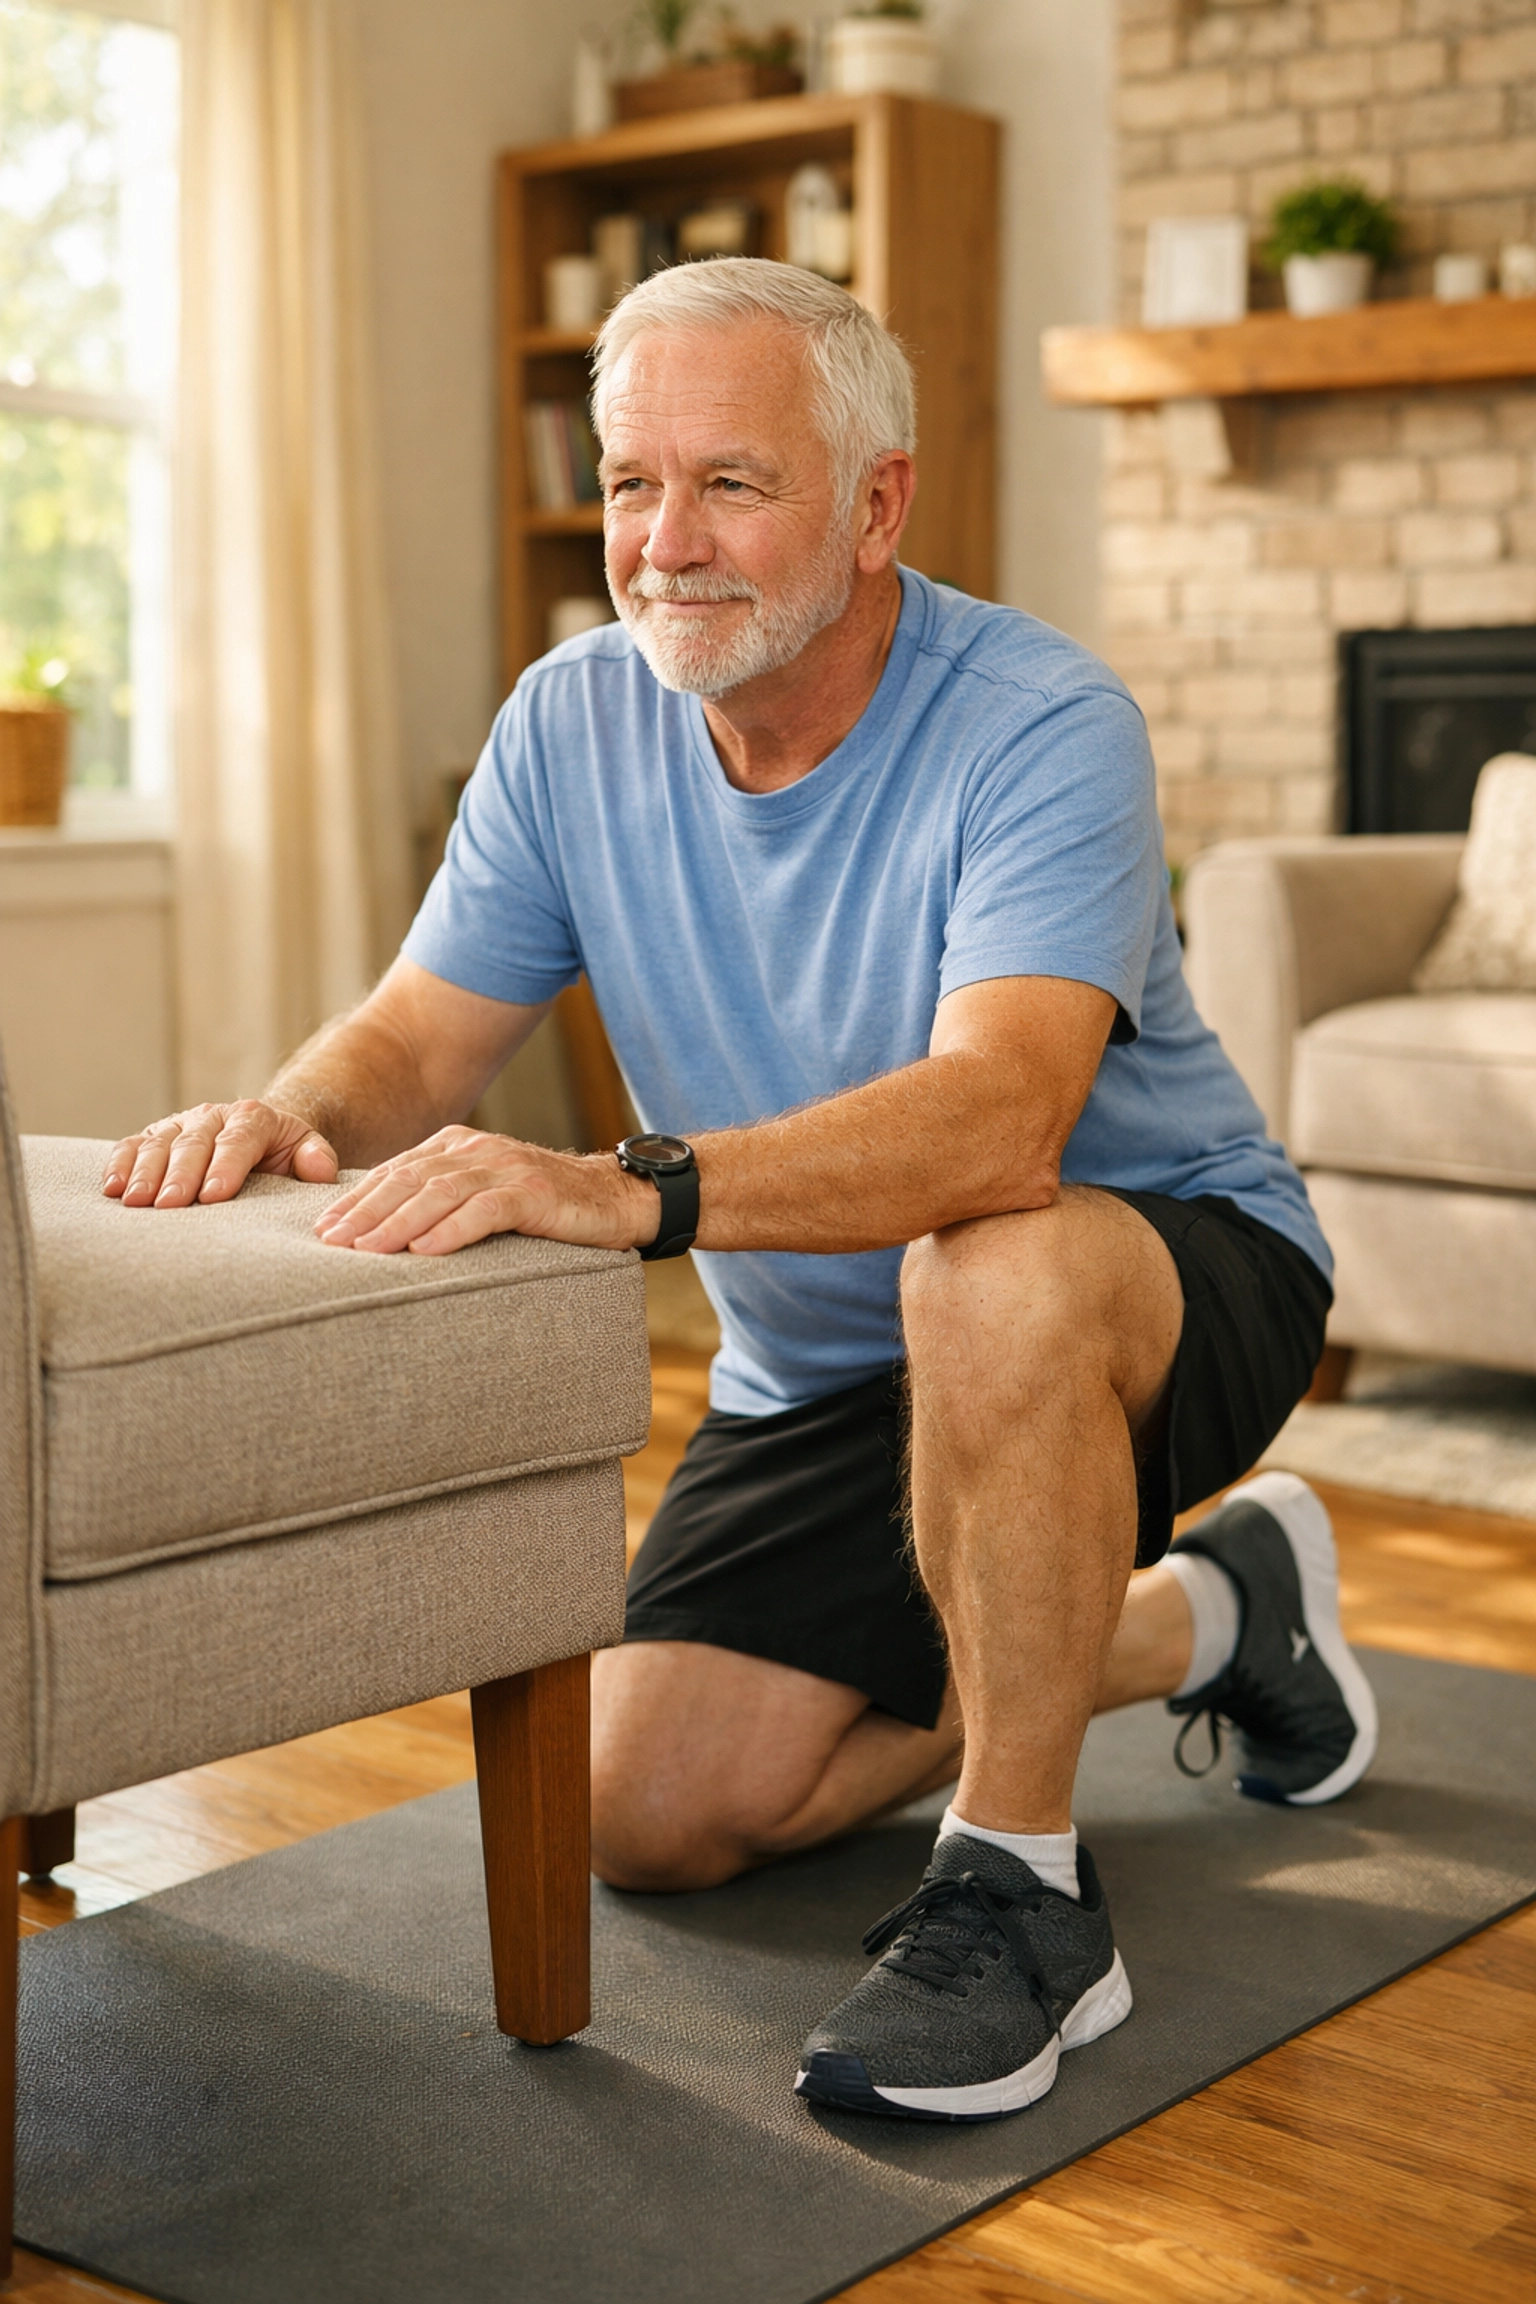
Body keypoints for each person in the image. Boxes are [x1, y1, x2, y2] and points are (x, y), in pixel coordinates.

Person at [104, 259, 1376, 2125]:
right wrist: (279, 1120)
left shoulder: (1040, 722)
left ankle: (1024, 1888)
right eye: (632, 483)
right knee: (647, 1813)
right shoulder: (568, 724)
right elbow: (414, 1042)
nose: (666, 543)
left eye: (731, 483)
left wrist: (630, 1190)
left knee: (985, 1272)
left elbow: (998, 1127)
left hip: (1154, 1280)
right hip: (823, 1369)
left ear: (875, 505)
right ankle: (1217, 1612)